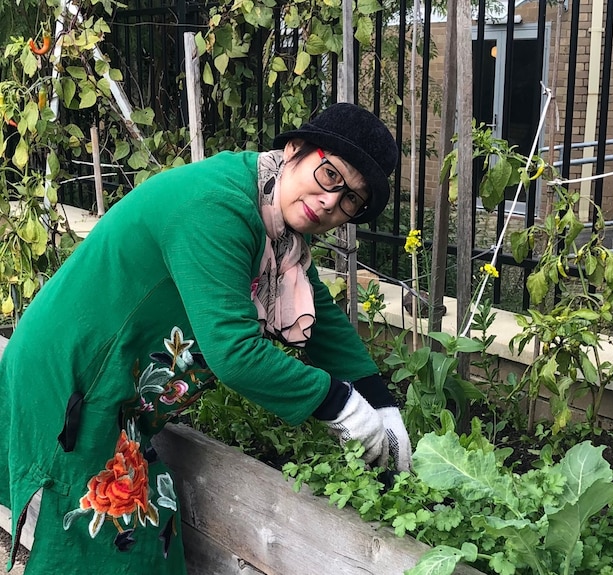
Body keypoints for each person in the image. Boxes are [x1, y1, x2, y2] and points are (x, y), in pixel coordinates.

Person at [0, 102, 411, 574]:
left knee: (149, 528)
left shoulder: (277, 231)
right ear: (294, 149)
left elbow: (327, 326)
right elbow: (234, 353)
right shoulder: (220, 207)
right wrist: (340, 405)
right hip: (75, 382)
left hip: (113, 391)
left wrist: (382, 405)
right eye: (329, 175)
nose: (331, 202)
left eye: (351, 200)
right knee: (103, 544)